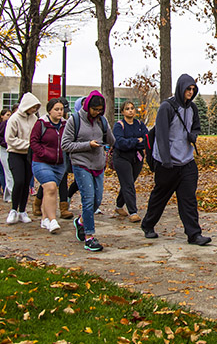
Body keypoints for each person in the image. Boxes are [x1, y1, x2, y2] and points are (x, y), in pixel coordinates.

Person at [141, 74, 211, 246]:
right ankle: (148, 225)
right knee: (160, 196)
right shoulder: (167, 107)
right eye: (188, 89)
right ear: (181, 88)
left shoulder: (193, 108)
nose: (191, 92)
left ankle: (194, 234)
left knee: (188, 199)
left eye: (193, 89)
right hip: (168, 162)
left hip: (186, 161)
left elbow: (196, 127)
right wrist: (165, 160)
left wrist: (193, 136)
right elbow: (161, 135)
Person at [63, 91, 115, 251]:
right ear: (87, 107)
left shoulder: (102, 121)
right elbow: (65, 145)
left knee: (97, 200)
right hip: (81, 164)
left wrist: (108, 135)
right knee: (88, 199)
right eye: (94, 109)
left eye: (100, 110)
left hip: (98, 165)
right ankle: (89, 236)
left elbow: (111, 140)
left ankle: (81, 222)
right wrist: (87, 145)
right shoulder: (75, 120)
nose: (97, 112)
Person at [30, 98, 68, 234]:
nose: (60, 112)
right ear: (49, 110)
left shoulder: (65, 125)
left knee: (49, 191)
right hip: (42, 162)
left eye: (61, 109)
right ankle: (53, 221)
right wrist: (44, 154)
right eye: (56, 109)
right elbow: (33, 142)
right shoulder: (41, 124)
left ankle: (45, 219)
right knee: (51, 188)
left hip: (59, 164)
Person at [5, 93, 40, 224]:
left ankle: (22, 211)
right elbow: (9, 139)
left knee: (27, 183)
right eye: (33, 107)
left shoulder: (34, 119)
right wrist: (28, 144)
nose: (34, 110)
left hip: (29, 155)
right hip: (15, 153)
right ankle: (13, 209)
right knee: (18, 181)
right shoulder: (14, 119)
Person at [112, 100, 148, 222]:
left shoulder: (139, 124)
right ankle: (133, 212)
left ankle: (118, 206)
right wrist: (136, 141)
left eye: (132, 108)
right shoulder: (119, 125)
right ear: (122, 111)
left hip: (137, 158)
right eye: (127, 108)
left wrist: (135, 143)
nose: (130, 110)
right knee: (128, 184)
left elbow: (146, 139)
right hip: (121, 158)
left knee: (129, 182)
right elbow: (120, 143)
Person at [0, 108, 12, 198]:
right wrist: (6, 143)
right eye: (7, 115)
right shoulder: (2, 125)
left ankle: (9, 193)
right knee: (6, 172)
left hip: (14, 149)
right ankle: (8, 193)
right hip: (4, 149)